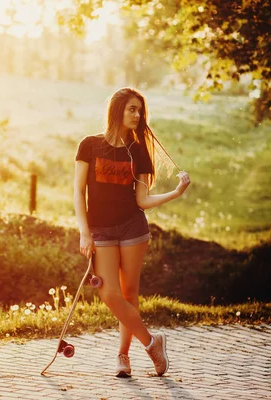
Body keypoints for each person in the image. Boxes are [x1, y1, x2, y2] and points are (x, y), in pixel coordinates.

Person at [73, 87, 191, 377]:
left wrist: (175, 193)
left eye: (140, 110)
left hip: (132, 227)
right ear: (117, 110)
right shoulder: (89, 145)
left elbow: (141, 201)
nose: (138, 115)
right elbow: (78, 192)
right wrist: (84, 233)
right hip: (100, 229)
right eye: (132, 109)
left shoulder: (137, 150)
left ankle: (123, 357)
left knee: (129, 292)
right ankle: (152, 343)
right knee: (109, 293)